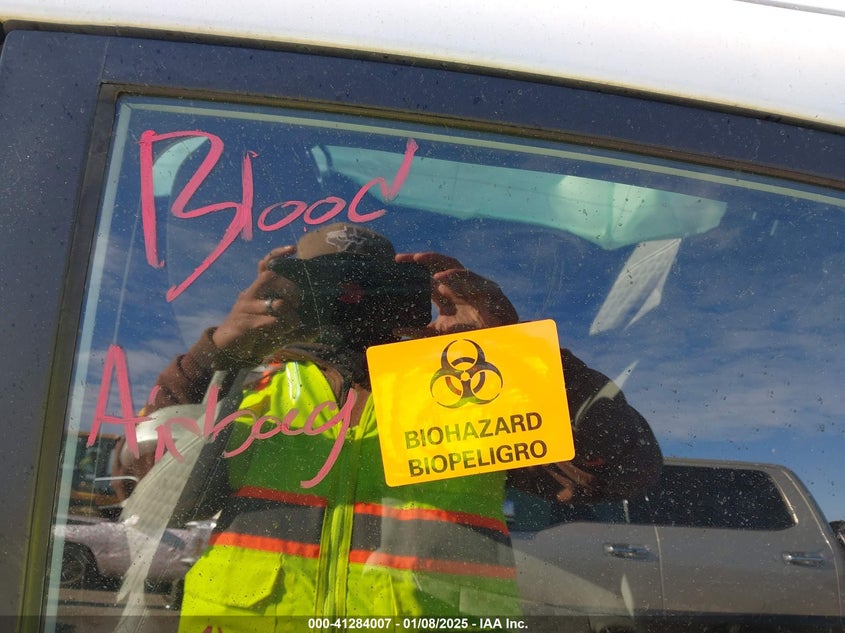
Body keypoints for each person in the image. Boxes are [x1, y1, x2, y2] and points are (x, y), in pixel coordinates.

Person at [140, 222, 661, 630]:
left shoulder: (467, 387)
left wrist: (512, 353)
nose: (350, 299)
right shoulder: (247, 383)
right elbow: (142, 484)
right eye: (326, 284)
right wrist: (217, 353)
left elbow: (619, 472)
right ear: (278, 291)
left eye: (371, 286)